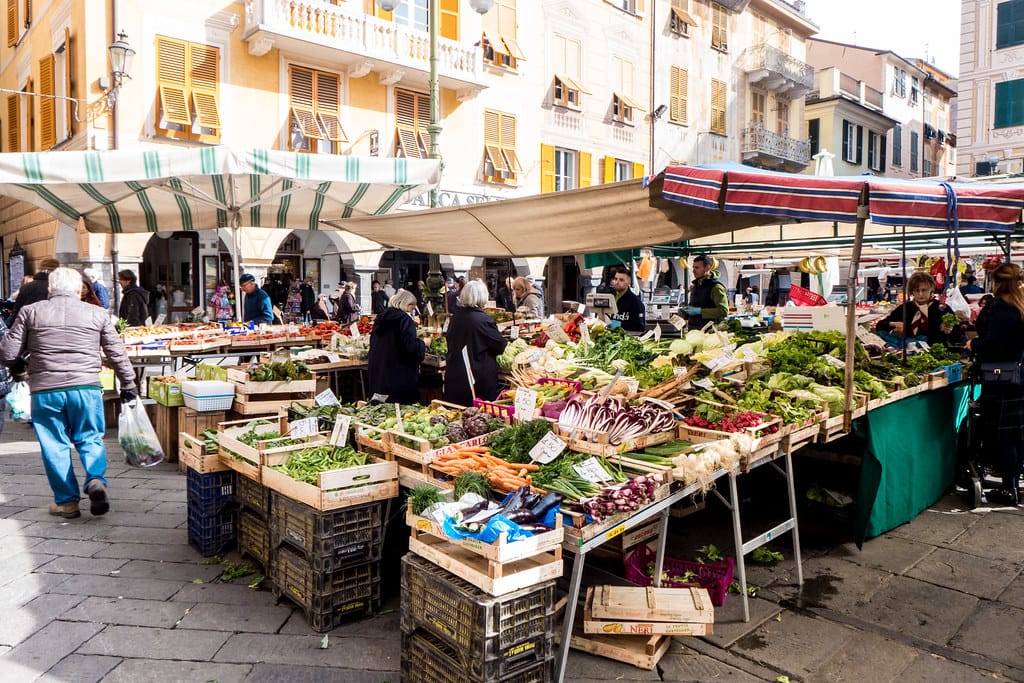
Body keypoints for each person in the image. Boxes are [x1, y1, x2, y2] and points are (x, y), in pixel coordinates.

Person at [0, 267, 138, 519]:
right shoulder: (97, 313)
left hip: (45, 389)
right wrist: (128, 384)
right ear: (78, 290)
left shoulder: (30, 311)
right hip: (86, 387)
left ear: (51, 290)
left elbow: (8, 353)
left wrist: (19, 365)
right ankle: (95, 480)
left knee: (54, 444)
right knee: (90, 438)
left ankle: (66, 502)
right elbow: (117, 353)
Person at [967, 263, 1024, 505]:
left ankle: (1009, 489)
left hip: (1003, 379)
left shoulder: (1001, 308)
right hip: (1020, 377)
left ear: (997, 282)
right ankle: (1014, 484)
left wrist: (974, 345)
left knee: (1004, 437)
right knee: (1017, 435)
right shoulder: (1020, 304)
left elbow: (994, 346)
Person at [443, 280, 507, 406]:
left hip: (455, 374)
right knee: (479, 417)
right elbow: (500, 346)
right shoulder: (483, 319)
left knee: (458, 413)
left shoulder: (455, 317)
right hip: (477, 377)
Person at [367, 289, 426, 404]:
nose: (412, 311)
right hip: (397, 373)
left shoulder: (381, 317)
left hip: (379, 369)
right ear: (406, 304)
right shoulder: (404, 320)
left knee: (380, 408)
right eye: (412, 307)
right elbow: (410, 348)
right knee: (399, 408)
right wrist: (423, 343)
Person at [875, 271, 962, 347]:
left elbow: (958, 337)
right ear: (912, 291)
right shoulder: (905, 308)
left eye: (924, 290)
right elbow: (880, 326)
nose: (920, 294)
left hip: (936, 353)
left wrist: (950, 331)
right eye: (916, 290)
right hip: (908, 353)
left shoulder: (942, 308)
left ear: (931, 289)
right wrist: (892, 324)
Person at [682, 255, 728, 329]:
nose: (693, 271)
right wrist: (686, 311)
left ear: (707, 268)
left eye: (697, 268)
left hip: (710, 331)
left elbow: (723, 311)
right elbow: (694, 305)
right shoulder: (695, 286)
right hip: (693, 329)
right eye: (693, 267)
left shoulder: (716, 287)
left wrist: (700, 311)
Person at [9, 257, 60, 324]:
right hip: (51, 328)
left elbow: (16, 314)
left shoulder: (25, 287)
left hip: (29, 328)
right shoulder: (57, 288)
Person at [608, 266, 646, 332]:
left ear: (629, 282)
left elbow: (640, 327)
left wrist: (615, 324)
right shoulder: (609, 296)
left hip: (626, 338)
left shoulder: (635, 302)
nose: (617, 282)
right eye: (616, 279)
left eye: (621, 280)